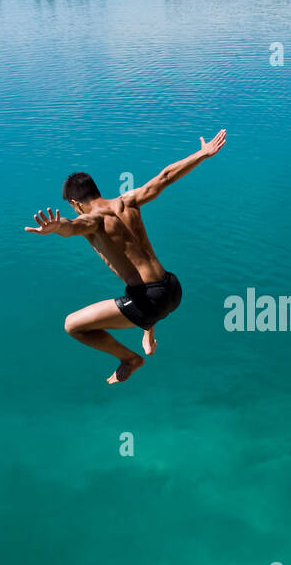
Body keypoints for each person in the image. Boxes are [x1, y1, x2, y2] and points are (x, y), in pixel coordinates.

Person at [25, 129, 227, 383]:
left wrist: (56, 227)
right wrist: (201, 154)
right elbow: (164, 177)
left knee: (72, 326)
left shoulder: (91, 220)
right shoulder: (128, 201)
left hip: (151, 301)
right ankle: (149, 334)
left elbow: (73, 226)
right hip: (172, 287)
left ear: (76, 204)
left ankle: (130, 359)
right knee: (137, 291)